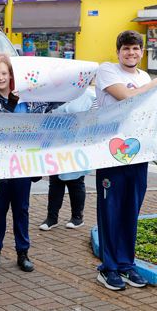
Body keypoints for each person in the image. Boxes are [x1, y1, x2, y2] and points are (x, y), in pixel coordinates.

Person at [95, 30, 157, 291]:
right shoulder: (107, 71)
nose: (131, 53)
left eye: (135, 49)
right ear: (118, 52)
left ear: (142, 52)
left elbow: (154, 113)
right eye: (126, 48)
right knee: (111, 211)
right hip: (111, 152)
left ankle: (126, 264)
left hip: (138, 153)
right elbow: (128, 97)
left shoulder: (143, 76)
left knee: (131, 209)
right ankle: (108, 269)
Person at [0, 54, 35, 273]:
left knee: (22, 209)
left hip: (23, 163)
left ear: (11, 75)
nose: (1, 77)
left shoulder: (28, 98)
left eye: (4, 73)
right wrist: (11, 104)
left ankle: (23, 252)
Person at [38, 91, 95, 231]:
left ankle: (77, 216)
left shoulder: (90, 97)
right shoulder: (55, 94)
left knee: (76, 182)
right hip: (56, 146)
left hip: (76, 147)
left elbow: (94, 120)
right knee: (55, 181)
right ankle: (52, 217)